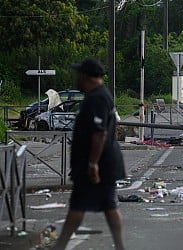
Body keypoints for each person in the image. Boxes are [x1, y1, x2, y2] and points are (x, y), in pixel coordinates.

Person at [53, 58, 125, 250]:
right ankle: (120, 247)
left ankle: (59, 246)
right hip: (104, 162)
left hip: (97, 163)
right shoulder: (101, 95)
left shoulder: (97, 98)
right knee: (109, 205)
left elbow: (99, 132)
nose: (77, 79)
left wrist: (93, 164)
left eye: (79, 75)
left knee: (78, 205)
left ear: (86, 77)